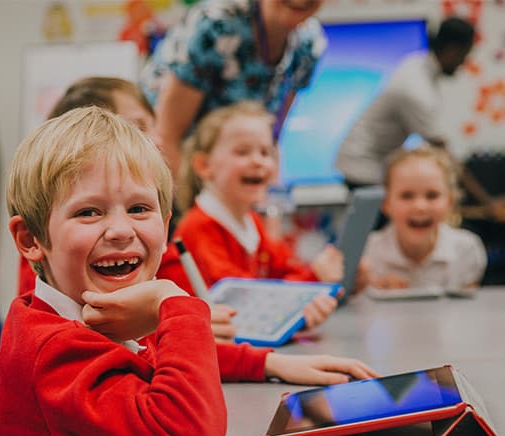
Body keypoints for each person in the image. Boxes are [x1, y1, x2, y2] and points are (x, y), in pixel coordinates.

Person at [0, 107, 378, 436]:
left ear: (166, 223)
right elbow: (188, 434)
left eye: (139, 208)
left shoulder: (96, 313)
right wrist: (174, 301)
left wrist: (267, 363)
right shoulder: (53, 347)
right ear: (30, 240)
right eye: (89, 213)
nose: (120, 230)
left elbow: (158, 354)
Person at [16, 76, 236, 342]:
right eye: (138, 128)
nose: (158, 141)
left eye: (139, 208)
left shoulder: (131, 253)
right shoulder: (55, 324)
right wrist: (177, 315)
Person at [173, 101, 345, 328]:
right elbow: (244, 302)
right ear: (204, 165)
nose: (258, 161)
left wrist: (317, 282)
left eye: (266, 152)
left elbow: (282, 268)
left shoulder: (251, 221)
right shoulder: (198, 227)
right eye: (242, 152)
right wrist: (311, 279)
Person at [140, 0, 327, 179]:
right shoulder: (217, 24)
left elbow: (272, 139)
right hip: (169, 170)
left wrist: (269, 200)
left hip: (227, 179)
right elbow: (166, 139)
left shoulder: (308, 43)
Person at [335, 16, 475, 188]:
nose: (464, 62)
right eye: (465, 54)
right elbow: (442, 151)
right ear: (453, 50)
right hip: (364, 168)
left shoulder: (415, 62)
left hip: (367, 162)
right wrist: (487, 202)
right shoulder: (418, 91)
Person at [362, 145, 487, 290]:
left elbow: (469, 308)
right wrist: (370, 289)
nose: (420, 206)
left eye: (432, 195)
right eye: (406, 196)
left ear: (450, 202)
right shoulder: (367, 253)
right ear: (386, 204)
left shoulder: (467, 250)